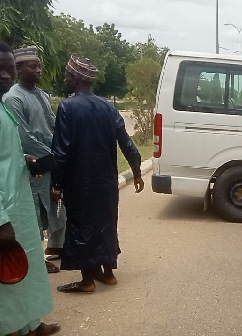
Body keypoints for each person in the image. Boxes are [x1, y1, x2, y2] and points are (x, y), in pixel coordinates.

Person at [51, 55, 144, 294]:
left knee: (82, 227)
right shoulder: (108, 107)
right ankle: (108, 274)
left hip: (79, 183)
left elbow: (61, 151)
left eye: (67, 74)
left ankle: (87, 281)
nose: (65, 78)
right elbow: (128, 144)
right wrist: (137, 172)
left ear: (76, 78)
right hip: (106, 183)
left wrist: (57, 183)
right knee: (105, 224)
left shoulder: (67, 107)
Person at [0, 42, 60, 336]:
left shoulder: (4, 104)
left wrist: (26, 158)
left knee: (29, 263)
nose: (5, 75)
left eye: (8, 69)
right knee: (9, 274)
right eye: (0, 69)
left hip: (20, 197)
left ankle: (31, 325)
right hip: (6, 210)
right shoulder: (12, 100)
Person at [2, 46, 66, 274]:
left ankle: (56, 248)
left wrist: (59, 150)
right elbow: (24, 137)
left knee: (56, 206)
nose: (38, 70)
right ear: (19, 69)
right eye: (33, 66)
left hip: (50, 161)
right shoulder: (13, 98)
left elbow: (52, 125)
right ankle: (37, 258)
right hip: (33, 165)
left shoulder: (42, 95)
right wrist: (52, 156)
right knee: (36, 213)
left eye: (39, 66)